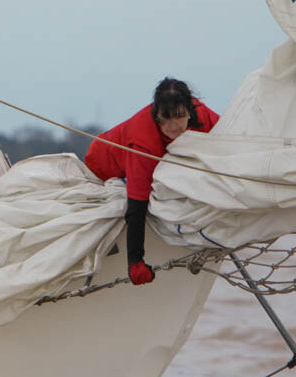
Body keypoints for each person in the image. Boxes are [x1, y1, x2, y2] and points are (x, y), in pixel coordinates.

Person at [85, 77, 219, 285]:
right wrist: (135, 262)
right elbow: (136, 208)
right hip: (102, 165)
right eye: (166, 118)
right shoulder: (143, 145)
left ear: (189, 110)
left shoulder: (203, 115)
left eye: (179, 116)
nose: (173, 126)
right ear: (157, 115)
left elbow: (230, 138)